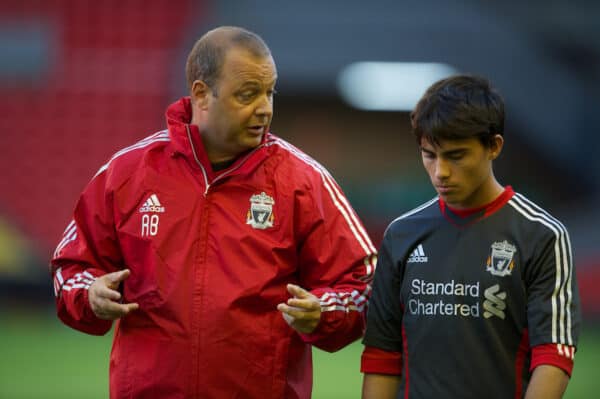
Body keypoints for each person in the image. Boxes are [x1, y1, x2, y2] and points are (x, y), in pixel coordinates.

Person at [50, 26, 377, 399]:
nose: (265, 108)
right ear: (202, 95)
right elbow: (70, 268)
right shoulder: (127, 174)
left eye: (270, 93)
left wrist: (323, 310)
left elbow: (362, 283)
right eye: (248, 94)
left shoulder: (304, 181)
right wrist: (91, 293)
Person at [360, 75, 581, 399]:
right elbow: (382, 356)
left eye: (456, 155)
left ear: (494, 146)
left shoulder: (542, 235)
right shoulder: (401, 234)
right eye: (429, 155)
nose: (441, 172)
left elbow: (553, 356)